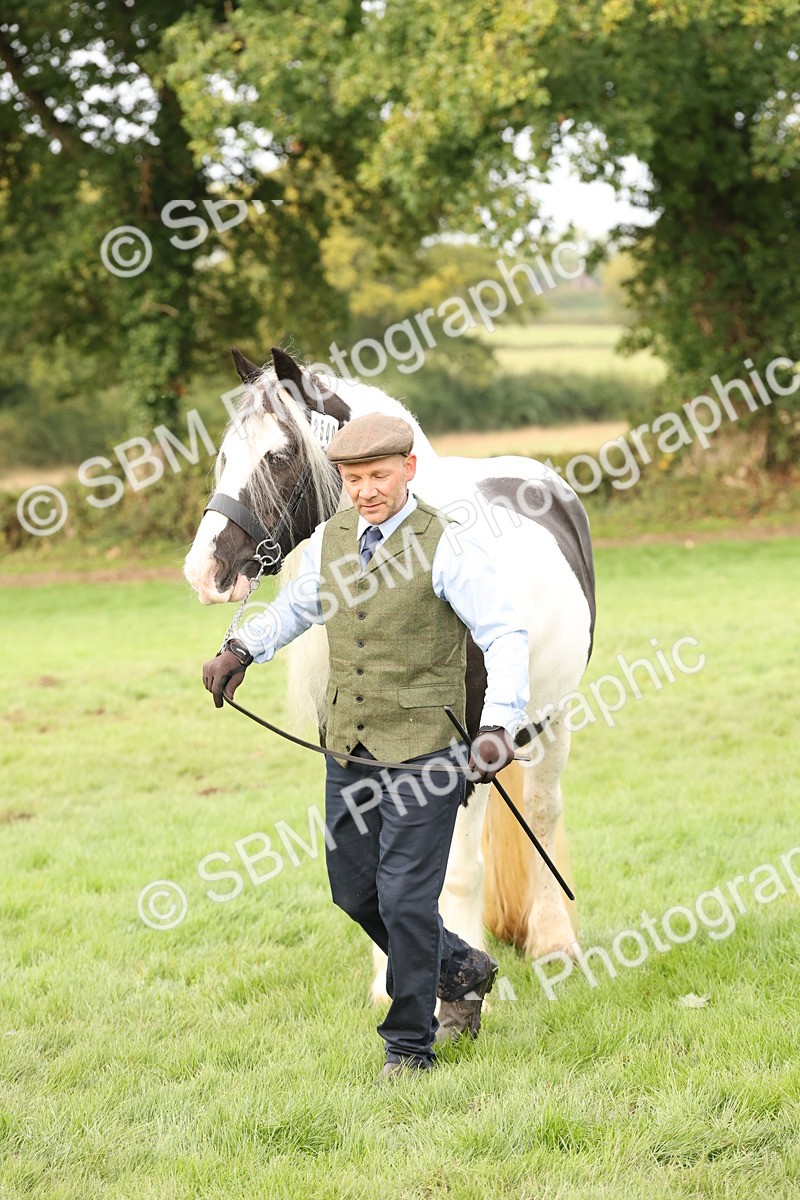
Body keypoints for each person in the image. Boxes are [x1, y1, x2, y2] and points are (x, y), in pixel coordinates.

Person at [203, 413, 530, 1080]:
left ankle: (410, 1046)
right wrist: (242, 649)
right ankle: (462, 968)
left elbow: (505, 634)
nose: (366, 491)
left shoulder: (447, 545)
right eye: (353, 479)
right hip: (348, 746)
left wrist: (498, 726)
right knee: (354, 892)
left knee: (408, 901)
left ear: (408, 470)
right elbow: (298, 605)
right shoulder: (333, 539)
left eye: (379, 476)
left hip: (427, 752)